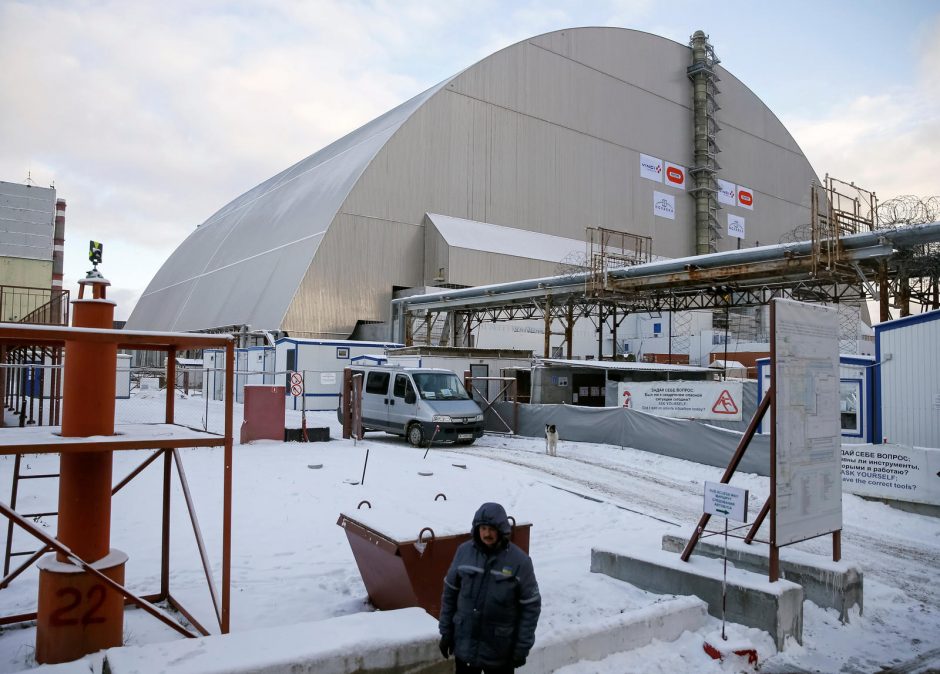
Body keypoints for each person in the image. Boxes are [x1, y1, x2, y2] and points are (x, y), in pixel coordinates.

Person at [438, 502, 541, 673]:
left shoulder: (520, 562)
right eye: (483, 528)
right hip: (465, 647)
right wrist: (446, 632)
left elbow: (531, 606)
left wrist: (522, 647)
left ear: (501, 530)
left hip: (500, 653)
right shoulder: (463, 552)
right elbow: (450, 594)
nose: (487, 533)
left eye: (492, 529)